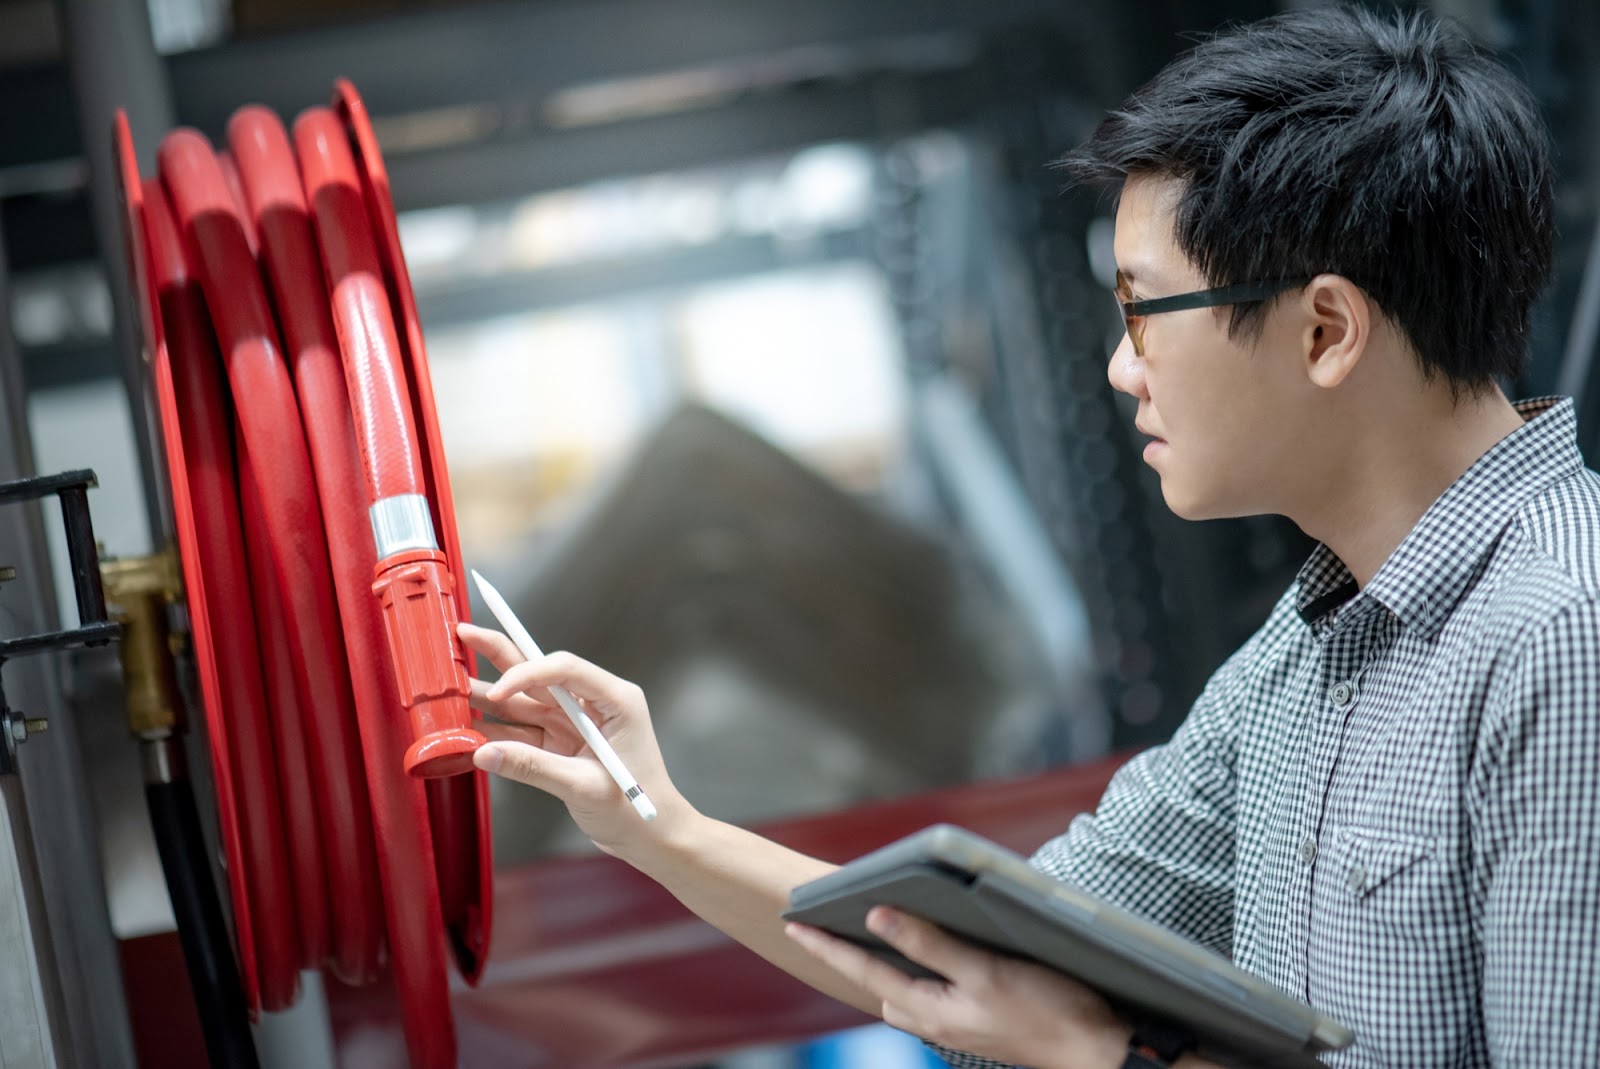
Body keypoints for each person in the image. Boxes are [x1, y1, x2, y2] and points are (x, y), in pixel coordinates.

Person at [457, 6, 1600, 1067]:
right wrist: (656, 822)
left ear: (1324, 329)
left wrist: (1099, 1056)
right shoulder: (1303, 660)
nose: (1118, 369)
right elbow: (983, 959)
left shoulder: (1564, 638)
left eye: (1144, 312)